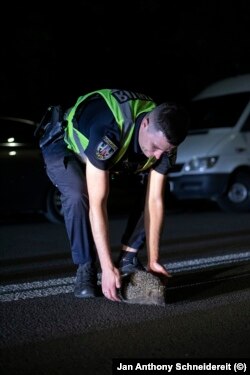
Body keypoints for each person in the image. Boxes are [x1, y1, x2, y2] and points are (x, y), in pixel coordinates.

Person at [38, 88, 189, 302]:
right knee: (77, 193)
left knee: (151, 191)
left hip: (115, 151)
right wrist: (107, 267)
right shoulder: (109, 131)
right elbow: (98, 204)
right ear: (145, 124)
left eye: (164, 151)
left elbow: (154, 201)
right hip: (65, 143)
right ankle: (86, 267)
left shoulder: (165, 141)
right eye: (155, 147)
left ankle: (128, 257)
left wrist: (154, 259)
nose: (157, 156)